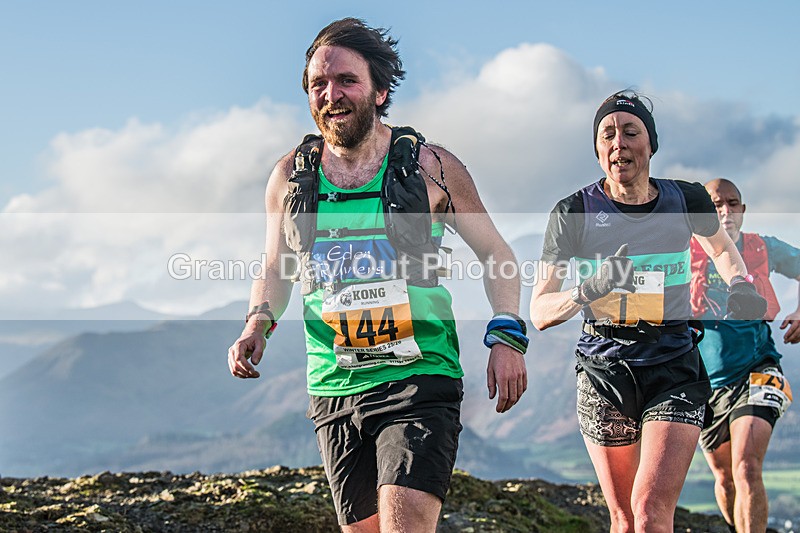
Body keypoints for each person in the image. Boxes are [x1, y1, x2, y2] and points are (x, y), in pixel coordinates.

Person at [227, 18, 528, 532]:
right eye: (318, 84)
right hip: (334, 385)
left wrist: (507, 335)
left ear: (380, 90)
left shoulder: (431, 167)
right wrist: (257, 324)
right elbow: (277, 267)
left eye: (346, 80)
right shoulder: (289, 178)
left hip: (419, 378)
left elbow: (497, 253)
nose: (331, 94)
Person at [529, 91, 768, 533]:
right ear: (599, 151)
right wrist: (589, 289)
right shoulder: (573, 211)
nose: (618, 141)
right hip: (605, 369)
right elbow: (540, 310)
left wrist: (740, 285)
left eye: (630, 131)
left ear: (650, 145)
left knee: (650, 513)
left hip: (673, 362)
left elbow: (721, 249)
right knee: (623, 520)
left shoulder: (686, 200)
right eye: (607, 134)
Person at [691, 178, 800, 533]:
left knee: (746, 467)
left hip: (758, 370)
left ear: (743, 210)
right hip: (704, 384)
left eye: (732, 203)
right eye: (715, 204)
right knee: (725, 479)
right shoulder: (681, 253)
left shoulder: (763, 248)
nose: (724, 211)